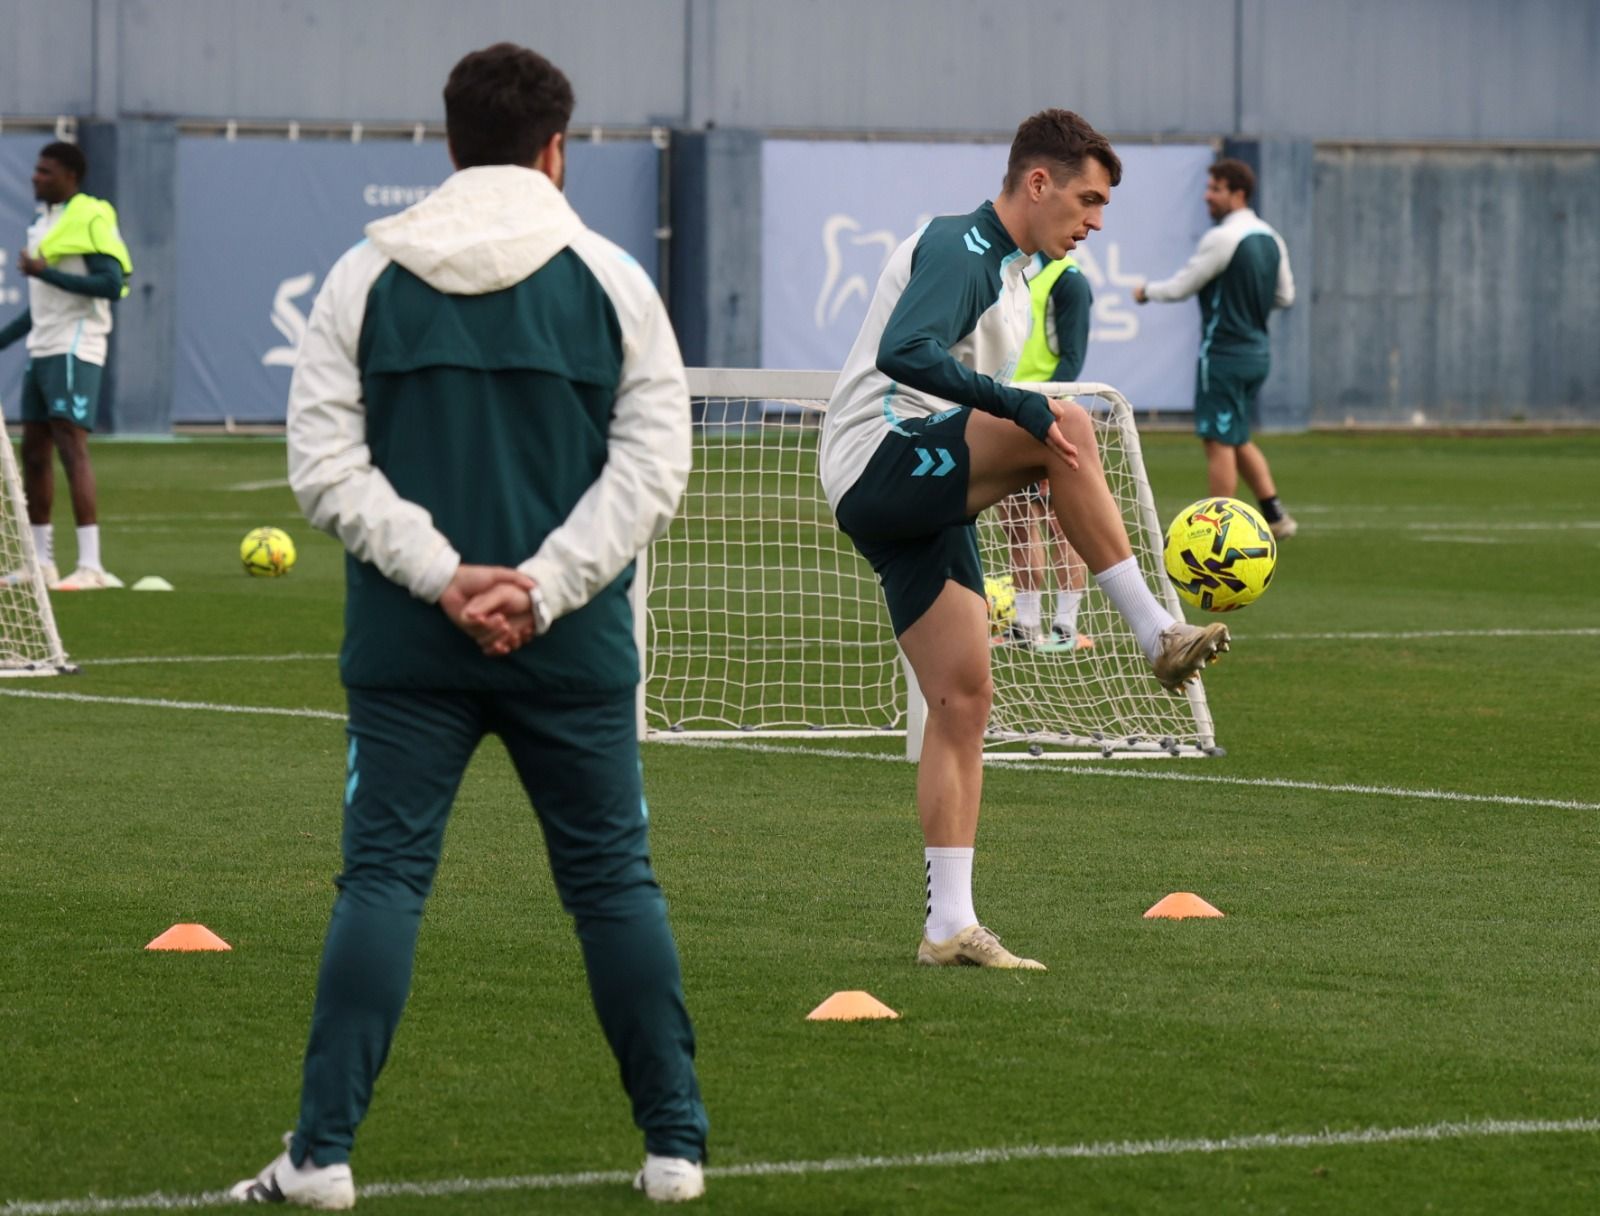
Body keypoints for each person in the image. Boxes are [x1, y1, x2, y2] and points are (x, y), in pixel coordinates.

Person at [229, 43, 708, 1207]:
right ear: (557, 149)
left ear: (447, 143)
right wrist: (541, 586)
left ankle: (322, 1157)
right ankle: (675, 1148)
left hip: (408, 645)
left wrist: (445, 577)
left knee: (382, 883)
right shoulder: (610, 278)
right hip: (578, 644)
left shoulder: (363, 275)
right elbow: (654, 469)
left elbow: (320, 466)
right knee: (613, 886)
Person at [819, 109, 1230, 972]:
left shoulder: (1012, 273)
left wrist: (1015, 415)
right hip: (882, 460)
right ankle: (1155, 630)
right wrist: (1019, 407)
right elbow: (906, 351)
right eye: (1087, 199)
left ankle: (948, 929)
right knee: (1063, 424)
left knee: (963, 701)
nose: (1095, 222)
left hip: (917, 487)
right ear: (1036, 183)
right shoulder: (963, 249)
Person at [1133, 158, 1297, 538]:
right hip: (1258, 354)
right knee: (1236, 434)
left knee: (1218, 441)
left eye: (1216, 189)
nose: (1207, 196)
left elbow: (1181, 287)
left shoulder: (1223, 237)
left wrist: (1145, 292)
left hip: (1223, 354)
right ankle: (1274, 514)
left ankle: (1217, 532)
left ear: (1237, 193)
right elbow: (1285, 296)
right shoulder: (1271, 237)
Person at [0, 141, 132, 590]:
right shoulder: (43, 224)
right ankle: (40, 563)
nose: (36, 177)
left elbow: (111, 284)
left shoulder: (91, 215)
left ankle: (91, 565)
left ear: (71, 176)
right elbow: (40, 307)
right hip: (43, 345)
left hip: (76, 345)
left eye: (46, 171)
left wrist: (43, 272)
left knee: (71, 447)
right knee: (33, 454)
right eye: (35, 170)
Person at [1000, 250, 1096, 652]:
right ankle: (1024, 627)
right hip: (1006, 410)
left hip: (1047, 414)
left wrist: (1045, 414)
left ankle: (1066, 629)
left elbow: (1071, 359)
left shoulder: (1069, 281)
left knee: (1062, 524)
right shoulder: (1014, 275)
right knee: (1017, 524)